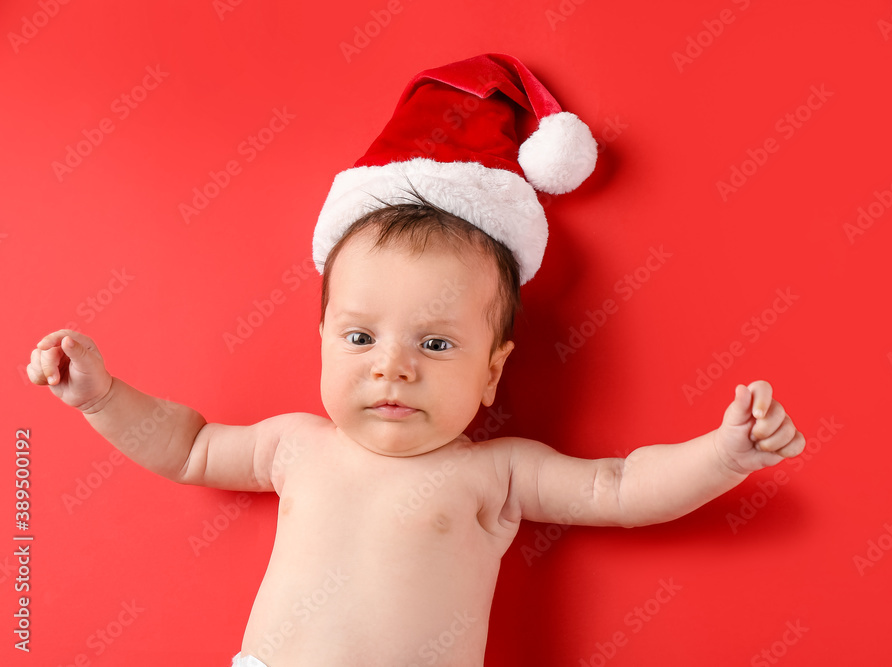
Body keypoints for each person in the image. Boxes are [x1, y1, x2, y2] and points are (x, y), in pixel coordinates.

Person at [27, 54, 805, 667]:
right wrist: (101, 397)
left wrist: (726, 452)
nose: (391, 367)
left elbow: (622, 486)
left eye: (435, 344)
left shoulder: (493, 472)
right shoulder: (296, 444)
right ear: (323, 339)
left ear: (493, 371)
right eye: (361, 337)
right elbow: (189, 446)